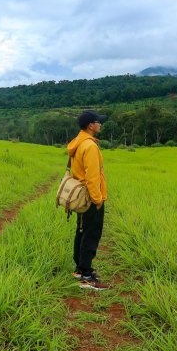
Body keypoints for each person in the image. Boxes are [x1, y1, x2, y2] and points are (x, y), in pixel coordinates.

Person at [67, 110, 109, 290]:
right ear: (90, 126)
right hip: (90, 197)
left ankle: (79, 268)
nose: (100, 124)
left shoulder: (78, 142)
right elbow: (92, 177)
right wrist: (97, 199)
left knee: (82, 231)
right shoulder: (90, 146)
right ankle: (86, 275)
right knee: (91, 233)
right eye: (98, 122)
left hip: (80, 196)